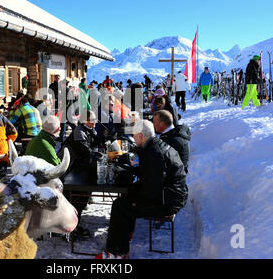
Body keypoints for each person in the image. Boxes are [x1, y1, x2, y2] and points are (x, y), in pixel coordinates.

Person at [96, 120, 188, 259]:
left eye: (134, 135)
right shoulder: (153, 146)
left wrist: (132, 188)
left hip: (167, 203)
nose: (132, 138)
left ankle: (116, 252)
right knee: (127, 197)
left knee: (121, 206)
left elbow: (151, 190)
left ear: (140, 136)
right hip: (168, 195)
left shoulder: (155, 154)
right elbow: (144, 167)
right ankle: (123, 234)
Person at [61, 110, 103, 238]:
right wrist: (98, 155)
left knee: (85, 189)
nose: (95, 122)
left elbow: (95, 144)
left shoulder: (90, 129)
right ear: (85, 121)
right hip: (69, 168)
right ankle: (70, 226)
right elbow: (85, 150)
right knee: (77, 194)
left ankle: (75, 219)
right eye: (92, 119)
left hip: (79, 166)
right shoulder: (79, 131)